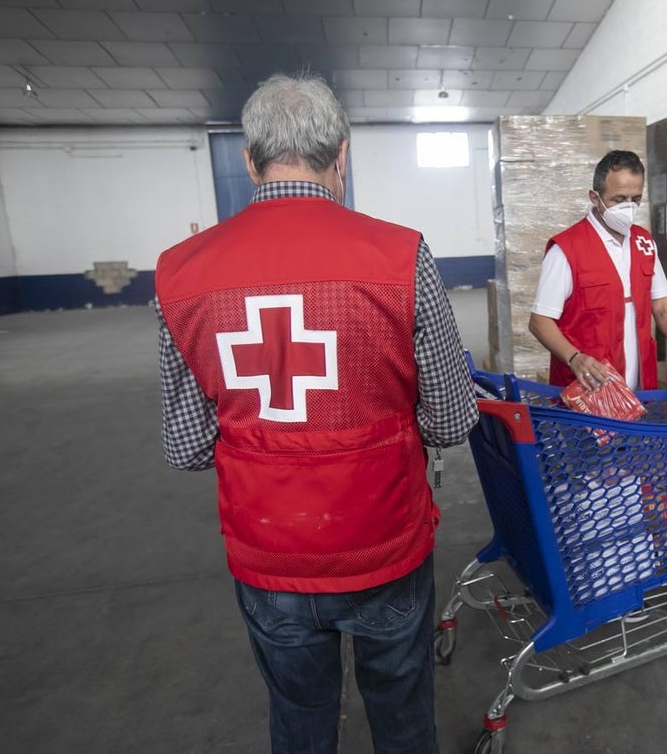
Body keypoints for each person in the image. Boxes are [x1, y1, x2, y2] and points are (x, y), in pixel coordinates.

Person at [154, 73, 478, 754]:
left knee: (299, 716)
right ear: (343, 155)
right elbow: (451, 419)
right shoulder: (401, 256)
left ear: (251, 161)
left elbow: (187, 445)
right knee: (402, 714)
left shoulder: (180, 271)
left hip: (268, 548)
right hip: (383, 539)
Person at [529, 150, 667, 391]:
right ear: (595, 198)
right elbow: (539, 321)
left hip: (639, 387)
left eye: (636, 199)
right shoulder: (567, 249)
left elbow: (661, 305)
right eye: (619, 199)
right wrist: (574, 358)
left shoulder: (644, 242)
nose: (629, 207)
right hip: (588, 389)